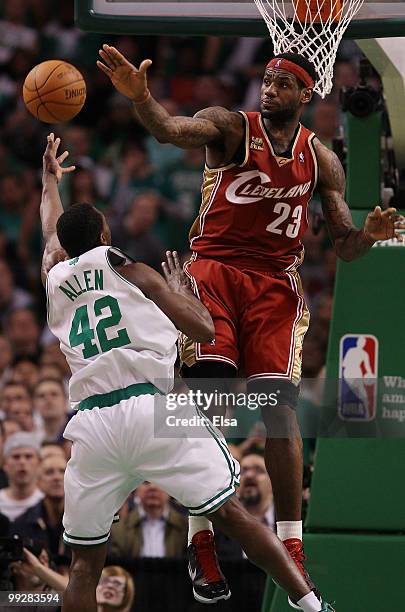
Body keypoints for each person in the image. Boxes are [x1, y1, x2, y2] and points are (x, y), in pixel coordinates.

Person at [97, 43, 405, 609]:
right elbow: (170, 130)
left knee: (279, 409)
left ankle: (293, 544)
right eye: (265, 80)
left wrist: (371, 234)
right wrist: (143, 101)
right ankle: (203, 539)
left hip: (274, 284)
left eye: (282, 84)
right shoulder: (229, 127)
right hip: (213, 267)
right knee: (206, 402)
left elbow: (346, 248)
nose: (269, 90)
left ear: (305, 94)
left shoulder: (322, 159)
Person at [40, 132, 334, 612]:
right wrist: (180, 291)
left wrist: (48, 182)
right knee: (236, 516)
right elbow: (200, 330)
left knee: (84, 568)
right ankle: (313, 607)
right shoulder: (128, 268)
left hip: (91, 424)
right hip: (151, 411)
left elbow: (51, 232)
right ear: (105, 236)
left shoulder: (54, 276)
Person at [110, 481, 188, 559]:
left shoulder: (186, 528)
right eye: (146, 482)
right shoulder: (118, 530)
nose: (152, 487)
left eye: (159, 481)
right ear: (135, 488)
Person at [0, 432, 43, 521]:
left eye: (28, 456)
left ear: (39, 463)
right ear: (4, 464)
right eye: (16, 457)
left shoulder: (46, 504)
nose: (22, 462)